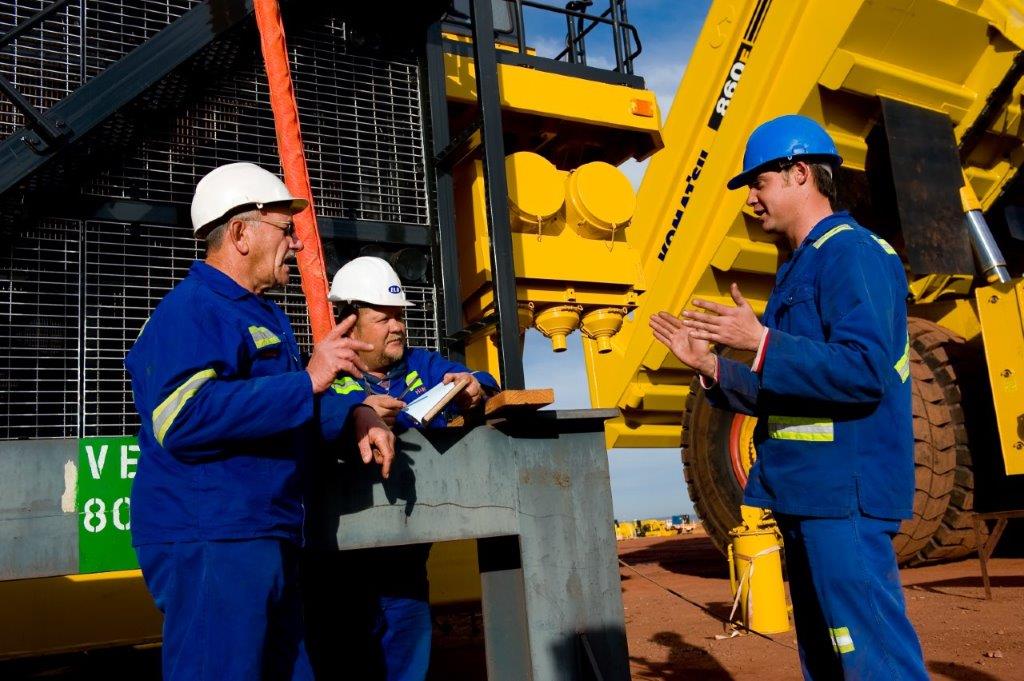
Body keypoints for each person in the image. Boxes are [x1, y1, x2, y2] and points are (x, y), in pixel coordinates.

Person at [650, 115, 928, 680]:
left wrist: (762, 341)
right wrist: (711, 367)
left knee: (872, 660)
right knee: (828, 659)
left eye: (759, 182)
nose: (751, 199)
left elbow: (865, 371)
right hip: (805, 494)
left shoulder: (853, 253)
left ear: (800, 173)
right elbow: (782, 388)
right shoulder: (801, 266)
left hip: (843, 495)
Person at [125, 162, 396, 681]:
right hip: (214, 535)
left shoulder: (260, 313)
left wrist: (355, 412)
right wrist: (307, 381)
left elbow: (286, 408)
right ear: (240, 233)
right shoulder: (193, 308)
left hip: (262, 531)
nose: (296, 243)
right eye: (285, 229)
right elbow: (181, 418)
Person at [305, 256, 499, 681]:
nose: (397, 326)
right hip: (337, 565)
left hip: (406, 560)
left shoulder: (421, 365)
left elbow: (480, 380)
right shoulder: (323, 373)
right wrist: (356, 410)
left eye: (399, 316)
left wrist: (475, 387)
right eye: (383, 318)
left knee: (407, 659)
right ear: (350, 324)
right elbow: (305, 416)